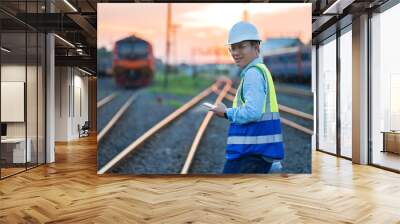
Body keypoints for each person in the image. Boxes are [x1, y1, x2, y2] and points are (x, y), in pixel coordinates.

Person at [210, 21, 284, 174]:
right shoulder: (260, 70)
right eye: (233, 48)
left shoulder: (253, 74)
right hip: (258, 152)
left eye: (241, 46)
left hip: (251, 154)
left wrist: (225, 112)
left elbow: (253, 112)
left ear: (256, 47)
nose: (235, 53)